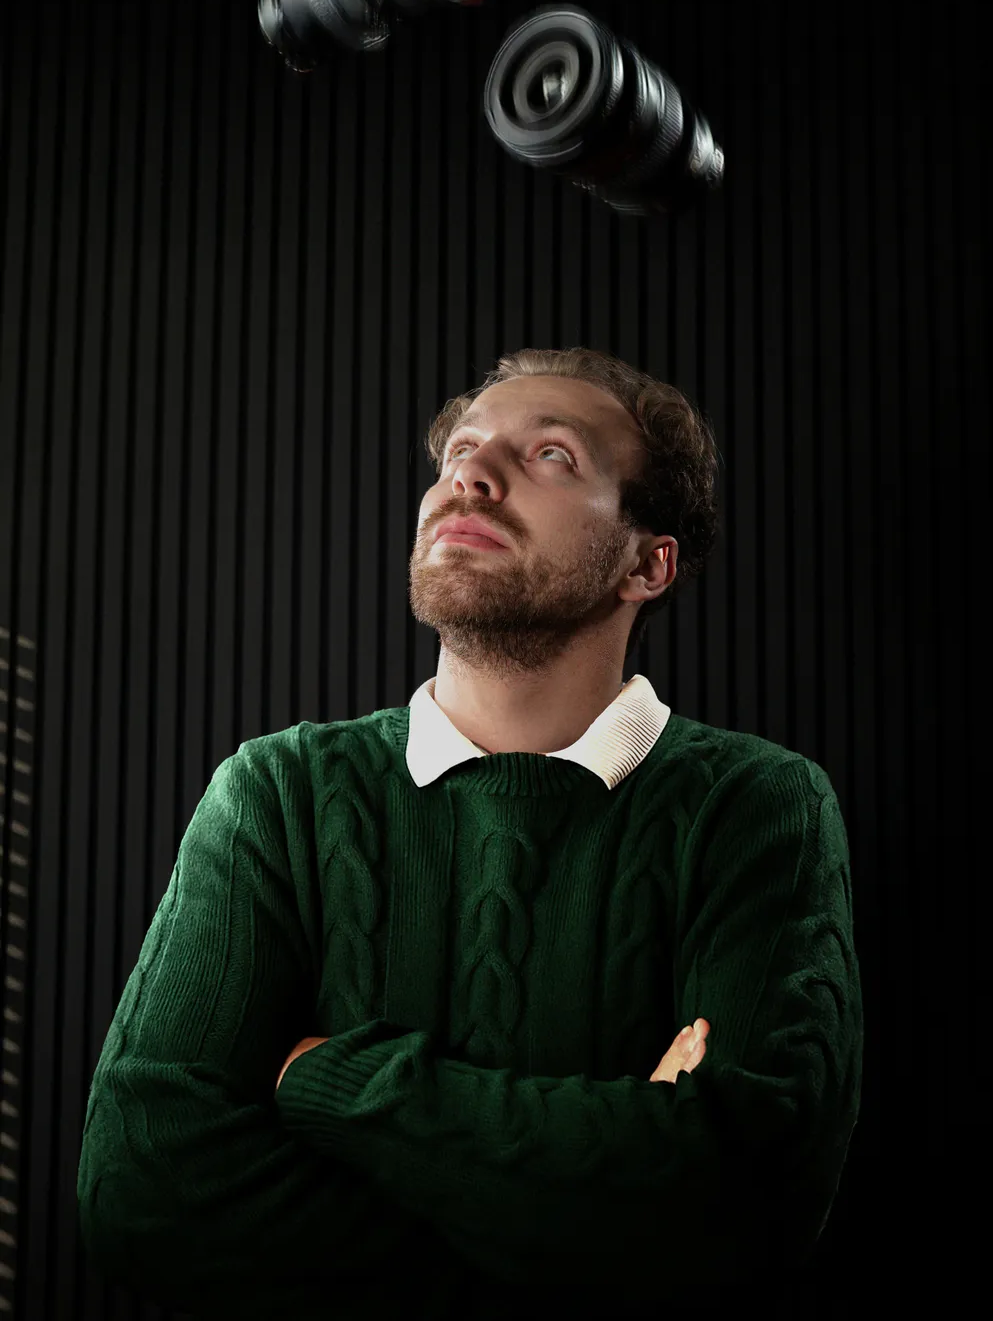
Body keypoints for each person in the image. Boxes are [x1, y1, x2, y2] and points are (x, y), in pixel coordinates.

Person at [77, 346, 863, 1321]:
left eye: (551, 456)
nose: (472, 475)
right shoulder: (277, 791)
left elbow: (746, 1206)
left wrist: (328, 1078)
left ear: (646, 563)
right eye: (460, 450)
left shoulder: (758, 807)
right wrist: (603, 1209)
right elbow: (141, 1191)